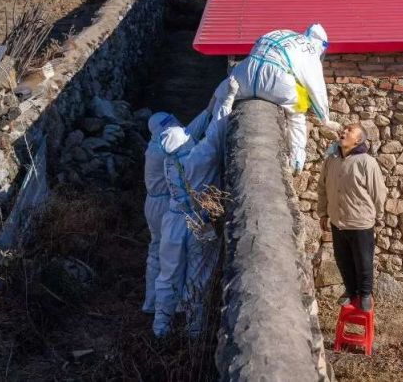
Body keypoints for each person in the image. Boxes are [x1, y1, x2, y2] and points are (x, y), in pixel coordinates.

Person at [153, 78, 239, 338]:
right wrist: (225, 99)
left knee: (167, 276)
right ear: (185, 143)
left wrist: (207, 107)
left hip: (173, 220)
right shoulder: (199, 158)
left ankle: (160, 329)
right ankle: (194, 330)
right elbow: (216, 130)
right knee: (197, 277)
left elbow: (191, 133)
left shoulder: (167, 160)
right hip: (198, 221)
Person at [209, 23, 338, 172]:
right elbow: (316, 87)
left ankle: (207, 128)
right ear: (321, 44)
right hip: (275, 80)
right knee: (296, 111)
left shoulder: (281, 32)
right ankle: (297, 159)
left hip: (247, 72)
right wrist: (325, 118)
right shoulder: (309, 49)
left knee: (223, 93)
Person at [141, 108, 218, 314]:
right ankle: (177, 310)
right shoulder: (176, 156)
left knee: (163, 256)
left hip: (165, 208)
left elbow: (185, 134)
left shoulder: (161, 145)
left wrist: (208, 110)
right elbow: (200, 139)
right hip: (171, 209)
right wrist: (219, 108)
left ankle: (156, 308)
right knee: (171, 258)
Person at [317, 124, 386, 311]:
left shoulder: (366, 162)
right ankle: (350, 291)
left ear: (358, 140)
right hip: (338, 221)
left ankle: (364, 294)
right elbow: (322, 188)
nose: (344, 132)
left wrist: (379, 215)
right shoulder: (331, 160)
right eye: (344, 129)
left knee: (363, 260)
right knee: (342, 259)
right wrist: (323, 212)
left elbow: (378, 191)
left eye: (350, 130)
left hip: (360, 221)